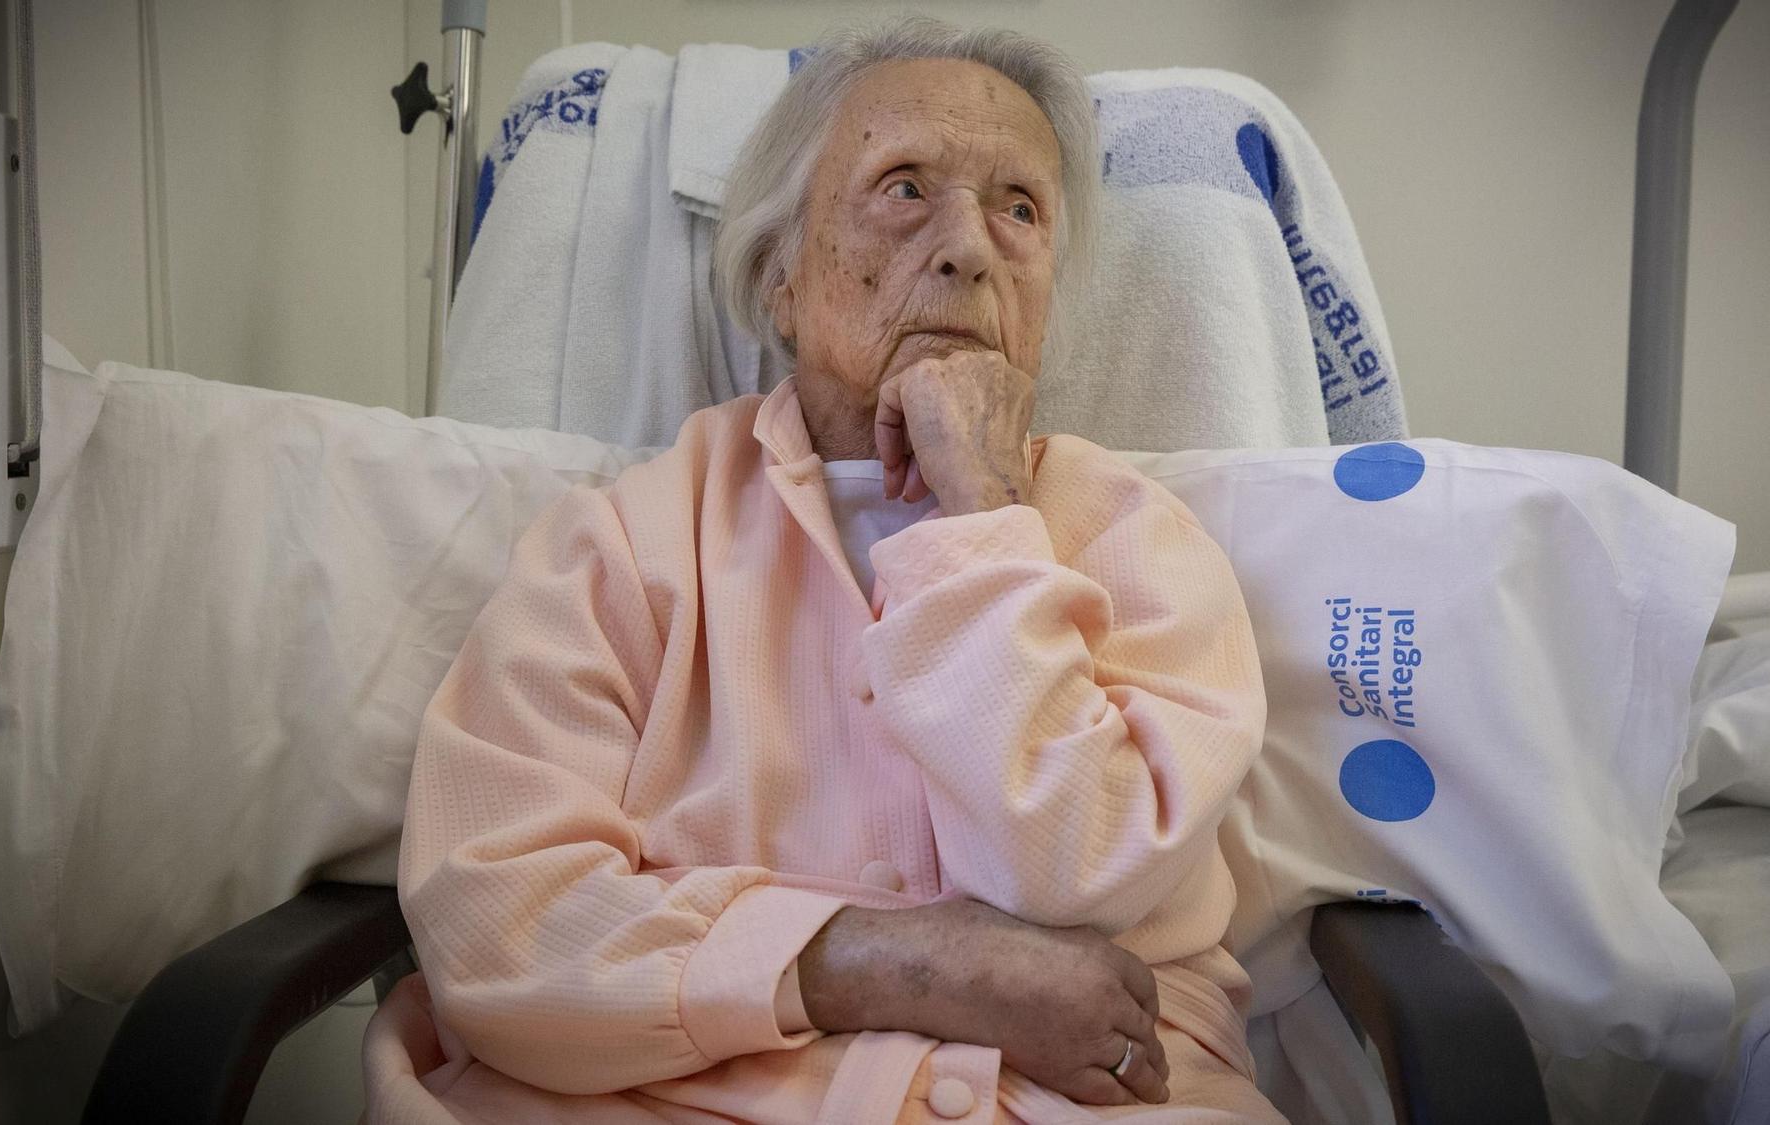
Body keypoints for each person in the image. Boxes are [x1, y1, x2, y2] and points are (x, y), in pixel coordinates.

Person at [363, 15, 1282, 1123]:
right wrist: (887, 963)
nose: (969, 249)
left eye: (1019, 208)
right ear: (780, 279)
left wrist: (980, 511)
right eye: (904, 188)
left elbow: (1075, 868)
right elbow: (494, 918)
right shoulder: (618, 548)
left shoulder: (1142, 542)